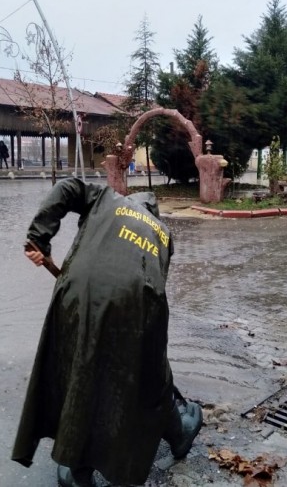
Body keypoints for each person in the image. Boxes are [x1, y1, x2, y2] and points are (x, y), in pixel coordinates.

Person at [12, 178, 202, 487]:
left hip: (79, 293)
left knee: (81, 368)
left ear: (132, 201)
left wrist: (39, 239)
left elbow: (66, 188)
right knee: (149, 376)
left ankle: (78, 470)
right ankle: (179, 434)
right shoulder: (163, 234)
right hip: (139, 305)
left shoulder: (107, 197)